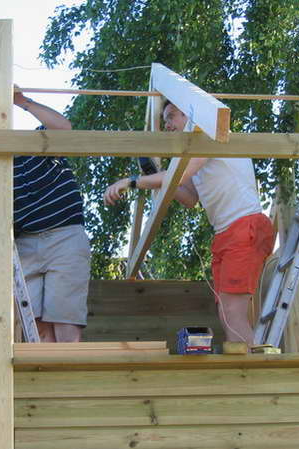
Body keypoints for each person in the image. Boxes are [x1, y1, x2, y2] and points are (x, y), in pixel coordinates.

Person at [104, 101, 275, 345]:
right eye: (165, 120)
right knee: (226, 313)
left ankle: (248, 365)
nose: (167, 124)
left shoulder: (209, 131)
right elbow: (189, 198)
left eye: (171, 116)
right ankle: (244, 361)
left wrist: (132, 181)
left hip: (244, 227)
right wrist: (156, 179)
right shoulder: (195, 155)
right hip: (227, 233)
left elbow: (177, 176)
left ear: (189, 114)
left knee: (232, 312)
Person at [0, 88, 91, 343]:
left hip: (64, 237)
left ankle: (67, 368)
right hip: (25, 244)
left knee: (66, 322)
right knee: (36, 328)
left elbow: (63, 128)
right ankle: (48, 370)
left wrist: (22, 101)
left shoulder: (38, 142)